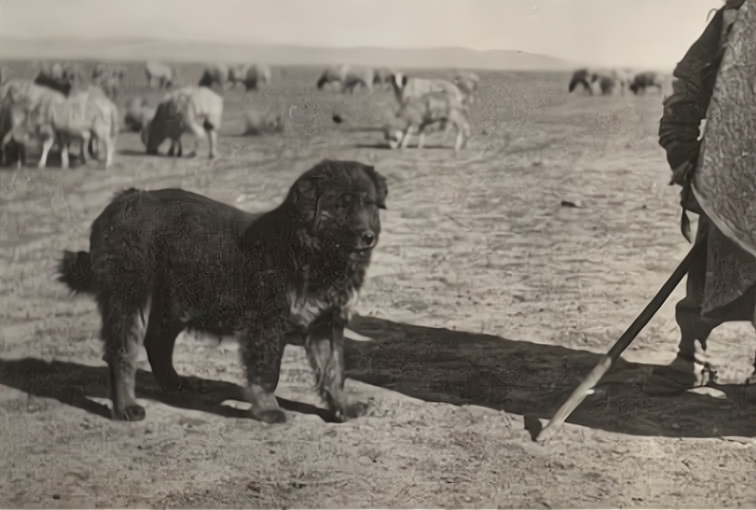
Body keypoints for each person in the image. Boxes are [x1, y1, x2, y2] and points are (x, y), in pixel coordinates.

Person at [647, 0, 756, 394]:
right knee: (711, 271)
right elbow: (688, 85)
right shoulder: (738, 16)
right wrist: (684, 155)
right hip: (732, 181)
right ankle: (692, 355)